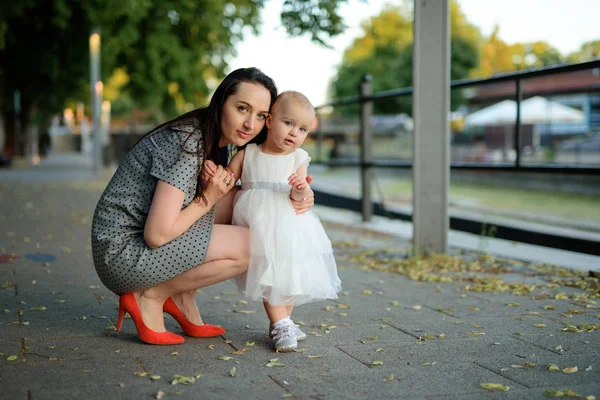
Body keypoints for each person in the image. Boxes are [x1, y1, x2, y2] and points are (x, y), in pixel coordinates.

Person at [91, 68, 315, 345]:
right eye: (242, 108)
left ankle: (182, 296)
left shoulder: (216, 141)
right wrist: (207, 198)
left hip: (141, 241)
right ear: (221, 102)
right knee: (254, 243)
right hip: (123, 254)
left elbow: (257, 198)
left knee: (251, 203)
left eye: (260, 115)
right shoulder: (186, 142)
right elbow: (157, 235)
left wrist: (301, 196)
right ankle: (151, 295)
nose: (250, 124)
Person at [204, 91, 341, 352]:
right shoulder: (249, 153)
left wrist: (301, 188)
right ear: (269, 121)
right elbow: (229, 180)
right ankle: (281, 322)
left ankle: (282, 321)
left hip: (288, 223)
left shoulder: (297, 158)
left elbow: (302, 195)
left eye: (302, 129)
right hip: (256, 222)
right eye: (288, 123)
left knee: (287, 272)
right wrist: (215, 173)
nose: (294, 133)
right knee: (270, 270)